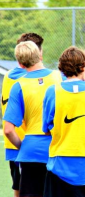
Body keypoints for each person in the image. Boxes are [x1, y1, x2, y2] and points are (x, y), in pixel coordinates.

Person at [42, 46, 85, 197]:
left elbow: (46, 128)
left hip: (58, 165)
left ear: (62, 68)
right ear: (83, 66)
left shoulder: (52, 91)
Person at [3, 40, 62, 197]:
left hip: (32, 151)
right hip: (59, 148)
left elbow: (8, 130)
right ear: (40, 55)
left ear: (20, 64)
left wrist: (22, 146)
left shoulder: (18, 85)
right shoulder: (59, 77)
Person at [1, 32, 42, 197]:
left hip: (21, 144)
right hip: (23, 144)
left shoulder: (12, 75)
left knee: (20, 189)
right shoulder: (20, 76)